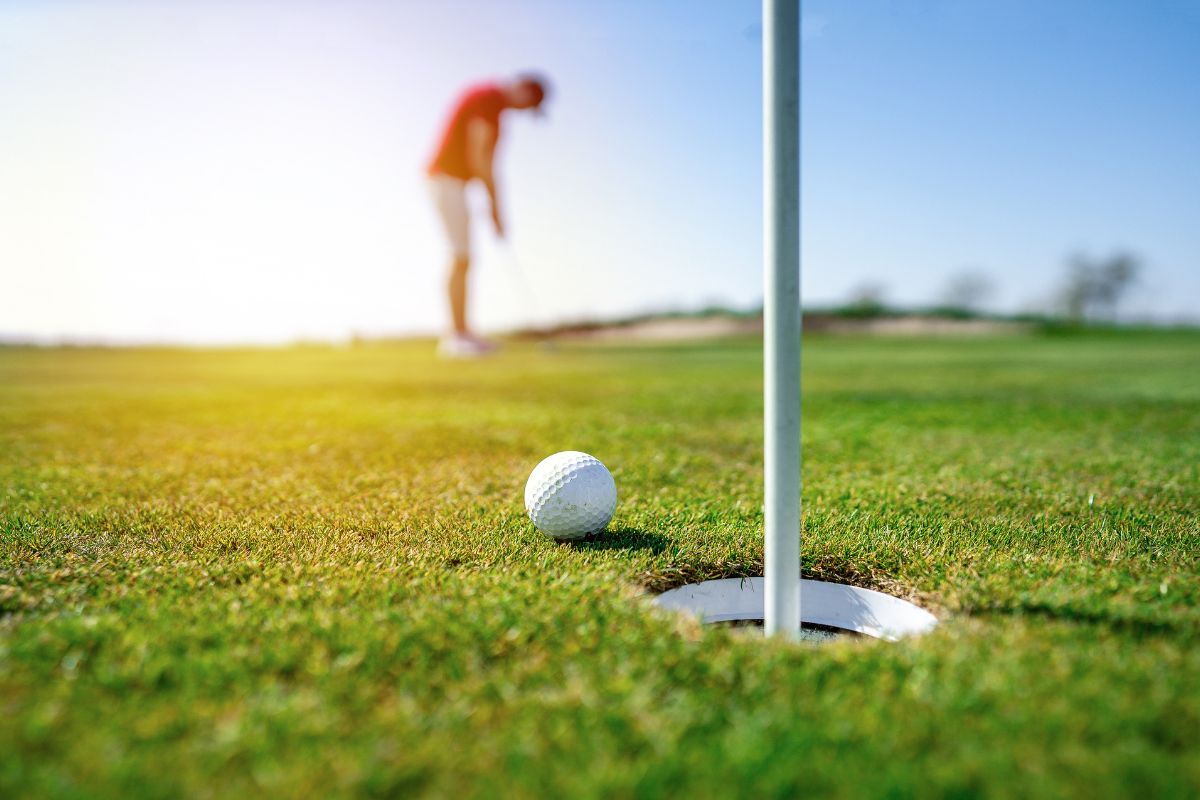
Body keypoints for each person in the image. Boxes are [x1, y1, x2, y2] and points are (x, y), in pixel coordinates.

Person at [427, 74, 549, 357]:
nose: (523, 112)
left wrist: (493, 205)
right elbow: (479, 156)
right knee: (460, 255)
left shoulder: (494, 105)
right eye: (529, 105)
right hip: (445, 179)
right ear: (524, 91)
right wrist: (495, 206)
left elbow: (483, 161)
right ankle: (455, 337)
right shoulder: (490, 99)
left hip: (455, 182)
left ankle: (463, 332)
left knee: (464, 255)